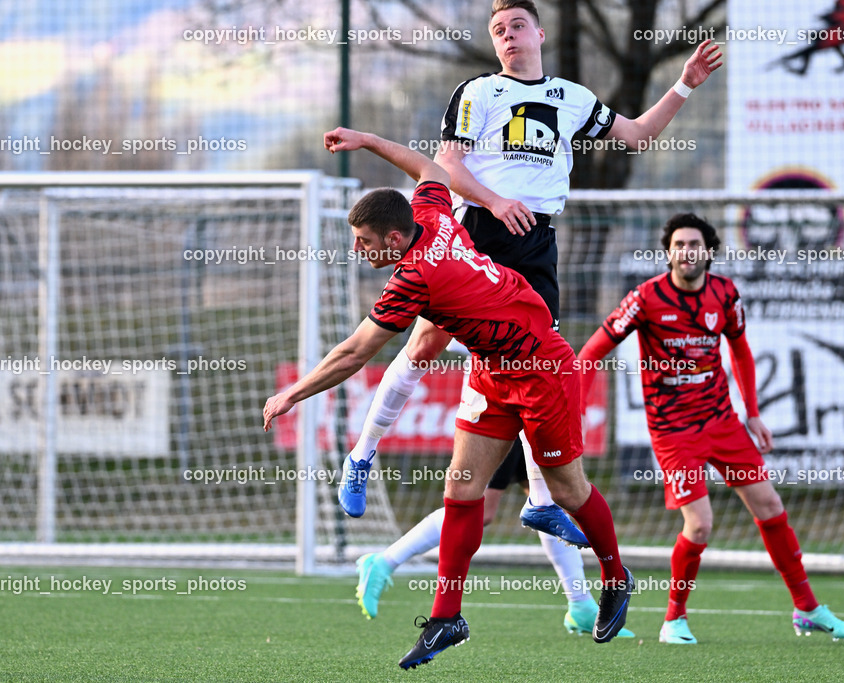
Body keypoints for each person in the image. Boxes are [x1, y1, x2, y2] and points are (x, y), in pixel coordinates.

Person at [340, 0, 722, 544]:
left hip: (537, 243)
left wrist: (684, 83)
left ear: (538, 33)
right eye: (498, 30)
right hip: (479, 232)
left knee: (540, 367)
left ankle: (542, 501)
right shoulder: (479, 92)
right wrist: (495, 202)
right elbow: (448, 164)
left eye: (516, 25)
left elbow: (638, 135)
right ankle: (363, 453)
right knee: (424, 346)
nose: (508, 36)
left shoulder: (570, 98)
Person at [264, 126, 634, 670]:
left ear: (393, 240)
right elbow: (431, 170)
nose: (356, 249)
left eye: (363, 240)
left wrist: (292, 393)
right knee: (463, 491)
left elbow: (353, 354)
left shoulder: (415, 276)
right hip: (491, 369)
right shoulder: (433, 216)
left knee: (568, 490)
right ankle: (446, 619)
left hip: (541, 369)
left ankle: (616, 576)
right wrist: (368, 141)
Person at [577, 213, 844, 644]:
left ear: (709, 251)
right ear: (668, 251)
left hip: (722, 421)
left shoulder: (725, 294)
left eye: (695, 244)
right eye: (679, 245)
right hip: (674, 431)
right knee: (701, 524)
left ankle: (807, 609)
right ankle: (673, 620)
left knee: (769, 504)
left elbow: (742, 351)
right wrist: (575, 412)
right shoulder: (645, 298)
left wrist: (752, 413)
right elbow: (590, 352)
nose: (686, 252)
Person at [354, 438, 629, 638]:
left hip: (530, 402)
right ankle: (384, 561)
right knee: (480, 508)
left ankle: (580, 603)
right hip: (501, 401)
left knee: (547, 504)